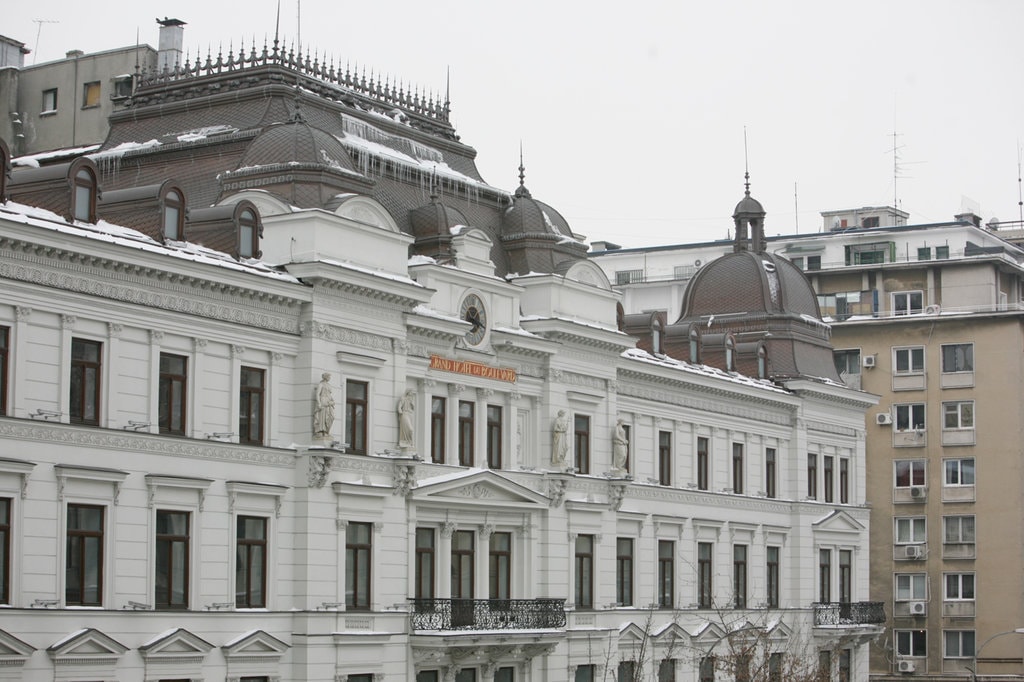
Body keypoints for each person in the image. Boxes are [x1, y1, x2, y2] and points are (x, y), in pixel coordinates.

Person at [313, 373, 335, 439]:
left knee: (331, 417)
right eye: (329, 376)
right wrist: (319, 403)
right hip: (323, 400)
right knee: (322, 416)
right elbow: (317, 394)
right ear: (325, 377)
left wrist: (332, 401)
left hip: (328, 402)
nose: (329, 378)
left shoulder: (329, 385)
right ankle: (321, 431)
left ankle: (326, 431)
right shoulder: (321, 384)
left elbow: (329, 395)